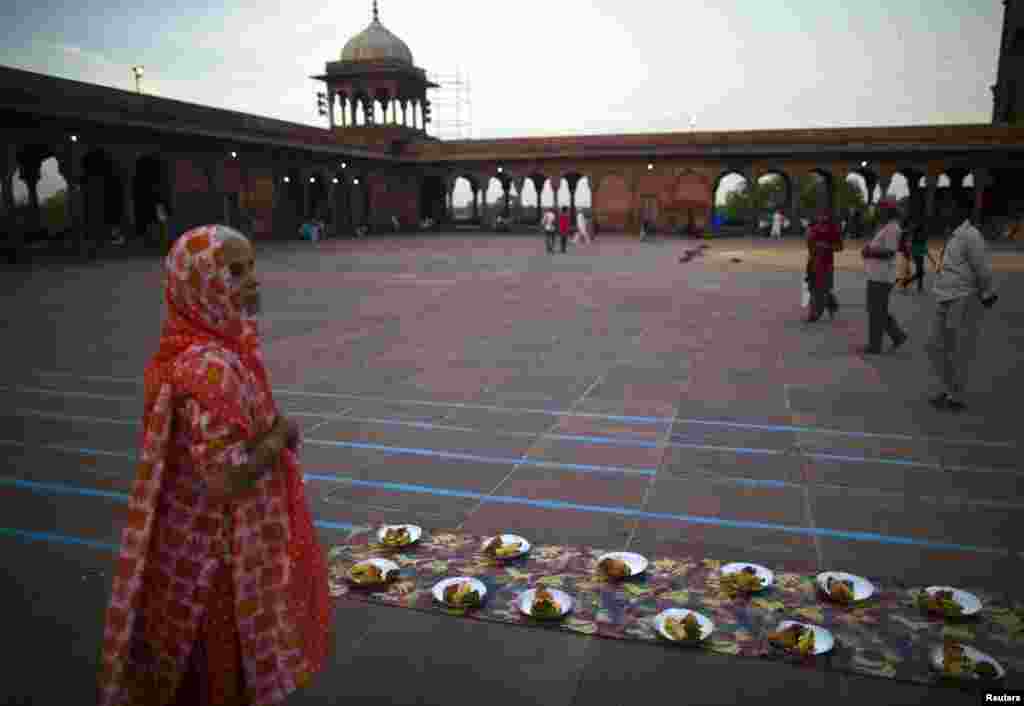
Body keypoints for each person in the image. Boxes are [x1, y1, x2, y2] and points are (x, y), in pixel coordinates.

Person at [98, 225, 331, 706]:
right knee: (218, 671)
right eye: (235, 271)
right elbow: (224, 479)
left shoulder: (208, 348)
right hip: (217, 558)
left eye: (251, 267)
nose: (252, 280)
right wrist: (279, 437)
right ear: (201, 283)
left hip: (189, 544)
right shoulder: (210, 365)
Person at [925, 202, 998, 412]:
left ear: (960, 212)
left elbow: (982, 268)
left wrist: (987, 293)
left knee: (958, 350)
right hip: (945, 297)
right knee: (936, 347)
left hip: (963, 297)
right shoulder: (954, 235)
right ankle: (949, 389)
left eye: (948, 208)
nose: (944, 212)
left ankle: (955, 397)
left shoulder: (971, 235)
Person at [859, 200, 908, 355]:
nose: (879, 212)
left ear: (889, 212)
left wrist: (869, 252)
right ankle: (897, 335)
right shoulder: (887, 227)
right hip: (877, 275)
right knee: (877, 309)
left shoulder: (892, 229)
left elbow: (890, 252)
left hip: (882, 276)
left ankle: (875, 346)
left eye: (882, 210)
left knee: (876, 311)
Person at [805, 209, 843, 322]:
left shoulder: (833, 229)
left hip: (826, 263)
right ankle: (813, 313)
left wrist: (827, 247)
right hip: (813, 262)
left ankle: (827, 305)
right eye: (819, 215)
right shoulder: (813, 228)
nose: (821, 217)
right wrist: (810, 239)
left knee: (824, 289)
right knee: (812, 288)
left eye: (824, 215)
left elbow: (840, 247)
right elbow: (809, 245)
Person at [899, 219, 928, 293]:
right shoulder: (910, 233)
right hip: (914, 254)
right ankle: (905, 284)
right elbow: (907, 244)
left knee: (917, 271)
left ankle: (917, 286)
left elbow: (913, 244)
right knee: (918, 271)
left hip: (914, 254)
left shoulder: (912, 233)